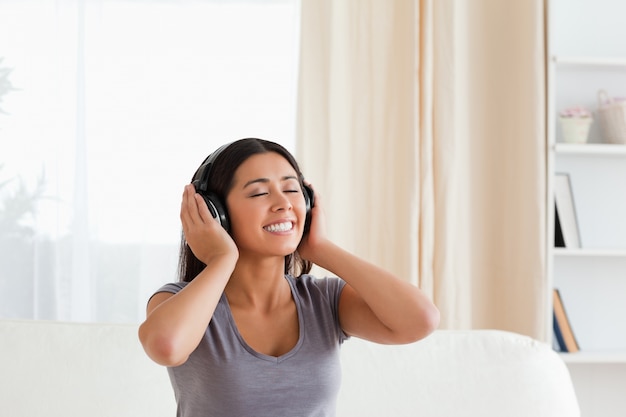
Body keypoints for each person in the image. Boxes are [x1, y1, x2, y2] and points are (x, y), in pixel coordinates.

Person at [138, 138, 440, 417]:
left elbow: (421, 319)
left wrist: (321, 249)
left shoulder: (325, 302)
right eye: (259, 192)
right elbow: (166, 347)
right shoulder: (179, 302)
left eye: (292, 189)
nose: (283, 203)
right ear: (215, 212)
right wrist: (221, 260)